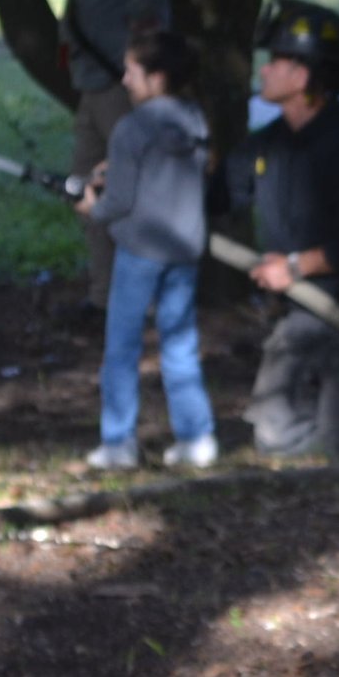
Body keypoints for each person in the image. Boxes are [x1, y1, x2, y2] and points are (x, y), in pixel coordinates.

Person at [0, 0, 174, 314]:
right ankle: (106, 298)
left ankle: (147, 302)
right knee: (87, 191)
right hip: (94, 83)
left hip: (122, 85)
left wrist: (143, 23)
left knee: (130, 192)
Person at [221, 0, 339, 457]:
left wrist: (296, 267)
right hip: (300, 318)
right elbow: (216, 195)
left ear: (302, 77)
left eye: (275, 62)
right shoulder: (271, 145)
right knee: (275, 436)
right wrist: (123, 185)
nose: (263, 71)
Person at [72, 28, 215, 471]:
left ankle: (118, 444)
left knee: (121, 348)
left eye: (132, 72)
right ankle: (197, 438)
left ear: (156, 78)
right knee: (179, 345)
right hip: (184, 250)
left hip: (139, 253)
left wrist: (91, 206)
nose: (125, 81)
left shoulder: (130, 128)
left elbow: (119, 202)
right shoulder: (194, 120)